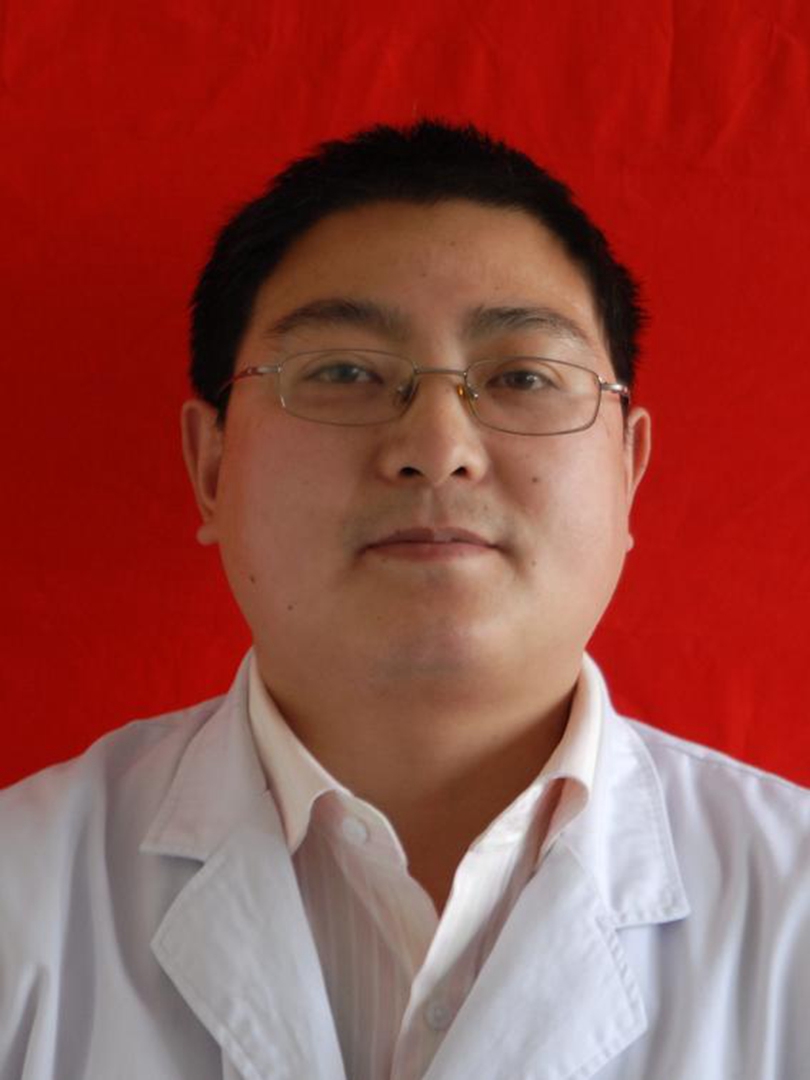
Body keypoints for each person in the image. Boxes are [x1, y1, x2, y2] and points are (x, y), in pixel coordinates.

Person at [1, 120, 808, 1080]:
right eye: (343, 372)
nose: (437, 447)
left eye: (522, 376)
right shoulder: (22, 895)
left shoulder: (792, 908)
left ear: (628, 470)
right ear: (212, 467)